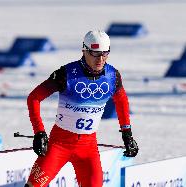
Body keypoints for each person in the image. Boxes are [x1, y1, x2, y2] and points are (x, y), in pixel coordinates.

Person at [24, 30, 138, 187]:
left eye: (105, 53)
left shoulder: (112, 76)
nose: (101, 59)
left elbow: (122, 101)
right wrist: (39, 132)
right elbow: (34, 98)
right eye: (95, 53)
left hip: (88, 148)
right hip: (59, 145)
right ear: (84, 51)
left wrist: (127, 134)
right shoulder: (66, 74)